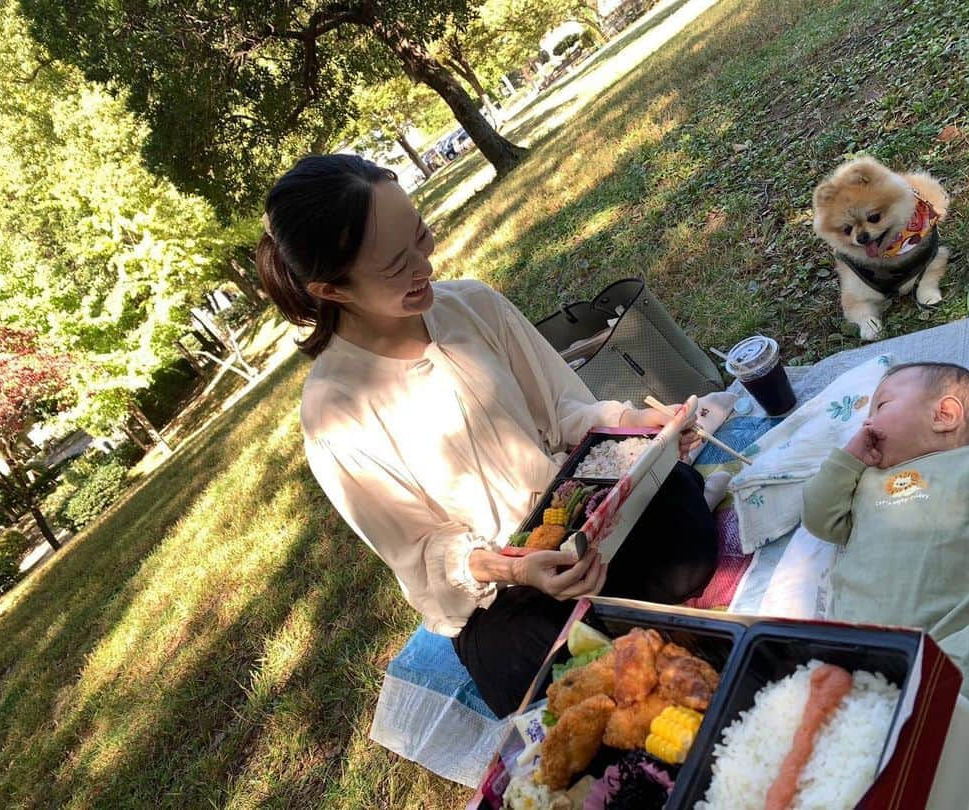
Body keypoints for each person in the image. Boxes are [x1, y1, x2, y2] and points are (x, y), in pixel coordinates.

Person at [255, 154, 720, 717]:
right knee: (530, 672)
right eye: (396, 265)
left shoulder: (472, 304)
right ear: (333, 291)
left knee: (684, 534)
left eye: (420, 236)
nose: (425, 265)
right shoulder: (334, 415)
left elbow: (564, 410)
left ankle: (627, 615)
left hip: (580, 514)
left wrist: (633, 424)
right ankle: (622, 626)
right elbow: (423, 553)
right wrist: (517, 569)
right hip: (503, 583)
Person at [803, 362, 969, 733]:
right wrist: (846, 461)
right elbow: (819, 519)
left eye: (881, 407)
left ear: (944, 414)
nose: (865, 426)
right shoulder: (866, 483)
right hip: (859, 658)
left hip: (956, 655)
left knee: (943, 736)